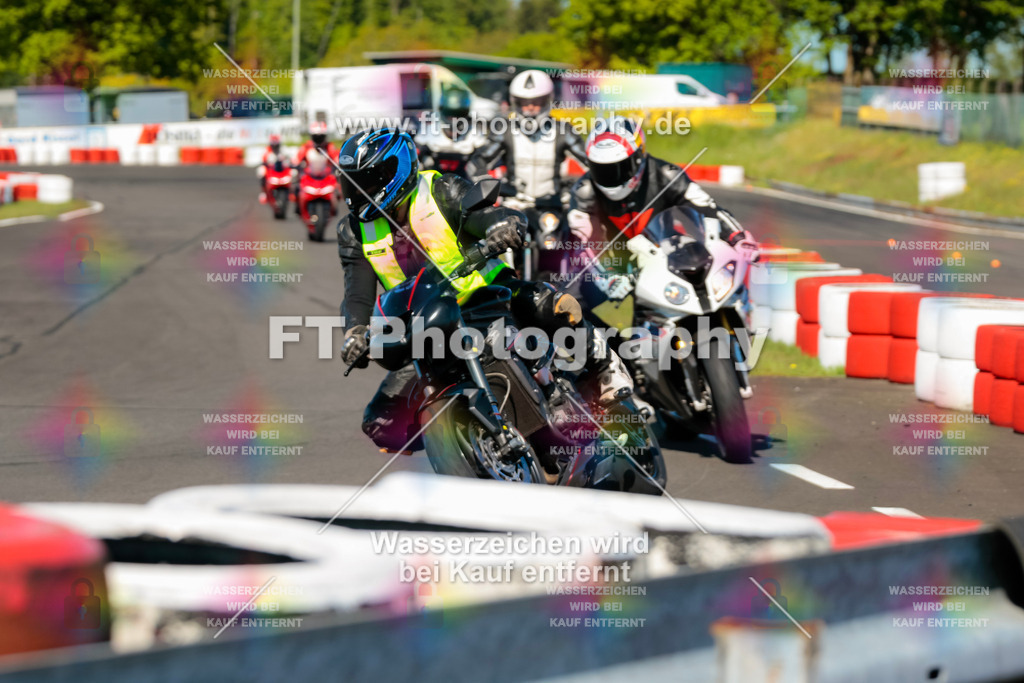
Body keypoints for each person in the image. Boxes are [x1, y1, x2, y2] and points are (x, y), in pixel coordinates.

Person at [336, 128, 633, 453]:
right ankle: (461, 443)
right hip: (427, 322)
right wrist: (356, 330)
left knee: (554, 305)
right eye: (352, 183)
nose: (359, 191)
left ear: (398, 169)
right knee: (381, 422)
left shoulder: (442, 189)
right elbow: (357, 292)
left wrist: (503, 226)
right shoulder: (353, 232)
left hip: (490, 294)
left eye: (367, 181)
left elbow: (484, 214)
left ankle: (605, 367)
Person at [567, 115, 758, 301]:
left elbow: (706, 206)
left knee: (705, 293)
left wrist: (738, 237)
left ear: (639, 158)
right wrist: (606, 275)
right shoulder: (583, 191)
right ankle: (603, 334)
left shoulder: (666, 174)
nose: (610, 178)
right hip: (613, 260)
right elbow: (583, 240)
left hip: (664, 255)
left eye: (619, 167)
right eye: (601, 170)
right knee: (572, 299)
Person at [468, 69, 586, 204]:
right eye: (524, 102)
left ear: (548, 100)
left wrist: (575, 188)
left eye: (537, 102)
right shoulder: (504, 130)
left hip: (554, 205)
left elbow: (591, 164)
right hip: (514, 203)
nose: (530, 107)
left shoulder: (564, 131)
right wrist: (495, 187)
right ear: (515, 102)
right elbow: (476, 163)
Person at [414, 89, 489, 179]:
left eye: (458, 115)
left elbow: (486, 162)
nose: (454, 120)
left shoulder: (474, 134)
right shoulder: (429, 131)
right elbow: (414, 159)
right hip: (433, 183)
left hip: (467, 185)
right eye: (451, 116)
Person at [292, 122, 339, 213]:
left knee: (339, 179)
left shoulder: (329, 147)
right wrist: (295, 165)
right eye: (316, 137)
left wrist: (339, 165)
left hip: (326, 176)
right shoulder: (306, 147)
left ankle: (334, 206)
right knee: (294, 178)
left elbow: (337, 158)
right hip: (309, 176)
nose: (318, 139)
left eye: (321, 137)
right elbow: (296, 159)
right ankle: (297, 205)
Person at [257, 134, 287, 200]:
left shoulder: (283, 151)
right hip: (271, 170)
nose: (275, 147)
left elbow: (289, 160)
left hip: (282, 171)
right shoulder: (267, 151)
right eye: (273, 145)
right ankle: (264, 192)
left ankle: (291, 192)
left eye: (276, 145)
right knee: (261, 171)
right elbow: (263, 161)